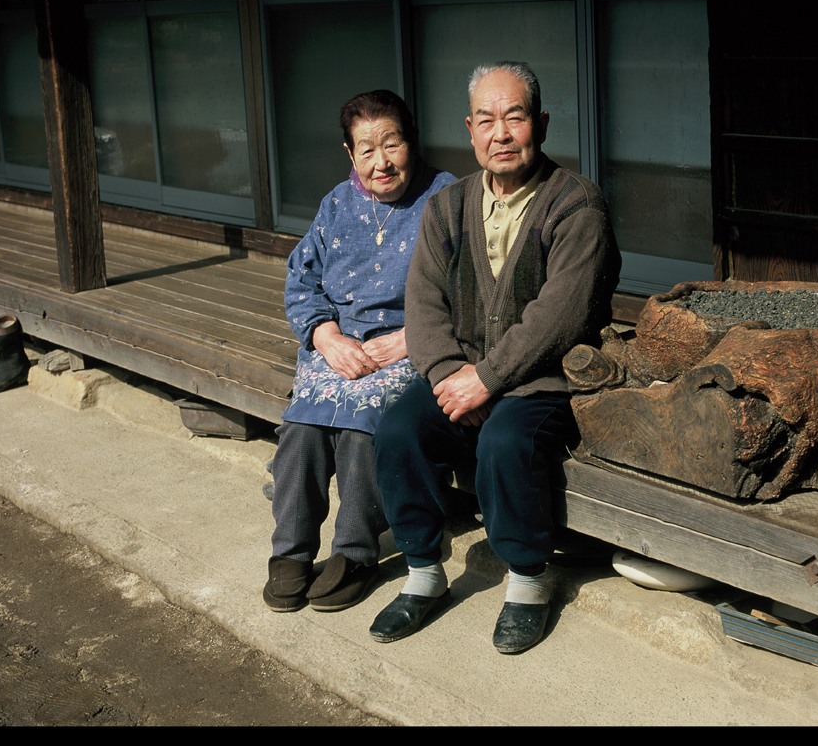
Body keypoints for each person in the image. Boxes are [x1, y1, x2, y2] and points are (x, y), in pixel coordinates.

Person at [368, 62, 621, 653]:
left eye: (515, 116)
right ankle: (424, 573)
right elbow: (423, 306)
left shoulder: (577, 205)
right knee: (400, 430)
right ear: (470, 128)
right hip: (463, 372)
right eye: (487, 120)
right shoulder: (447, 206)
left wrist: (487, 380)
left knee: (506, 442)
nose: (500, 133)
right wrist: (450, 377)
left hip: (542, 378)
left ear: (542, 123)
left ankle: (528, 582)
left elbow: (561, 317)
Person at [263, 90, 455, 614]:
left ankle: (355, 553)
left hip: (411, 345)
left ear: (411, 142)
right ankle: (291, 552)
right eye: (366, 150)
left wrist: (417, 338)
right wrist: (325, 336)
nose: (381, 162)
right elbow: (301, 280)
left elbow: (476, 292)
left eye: (391, 145)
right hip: (341, 344)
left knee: (358, 427)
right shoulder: (336, 204)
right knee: (301, 429)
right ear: (350, 154)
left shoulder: (447, 199)